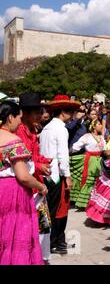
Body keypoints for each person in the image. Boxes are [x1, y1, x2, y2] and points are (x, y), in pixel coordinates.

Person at [0, 101, 48, 265]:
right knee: (15, 234)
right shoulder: (13, 141)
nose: (20, 121)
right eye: (19, 117)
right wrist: (40, 186)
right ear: (10, 117)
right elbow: (23, 176)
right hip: (13, 193)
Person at [40, 95, 80, 255]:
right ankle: (54, 242)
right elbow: (63, 155)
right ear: (63, 112)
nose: (72, 116)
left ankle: (52, 241)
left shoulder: (46, 128)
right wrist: (68, 176)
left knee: (49, 208)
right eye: (70, 112)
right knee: (58, 209)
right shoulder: (61, 129)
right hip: (57, 174)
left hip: (46, 172)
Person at [16, 93, 52, 263]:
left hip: (37, 184)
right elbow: (23, 162)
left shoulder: (32, 130)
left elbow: (34, 156)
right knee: (32, 227)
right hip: (28, 187)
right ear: (26, 113)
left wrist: (44, 162)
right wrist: (39, 166)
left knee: (42, 226)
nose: (41, 116)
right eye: (37, 112)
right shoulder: (20, 133)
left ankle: (39, 257)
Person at [85, 119, 110, 225]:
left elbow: (108, 153)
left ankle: (104, 218)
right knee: (102, 191)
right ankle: (100, 217)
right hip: (106, 169)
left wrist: (101, 152)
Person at [69, 119, 106, 209]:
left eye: (101, 124)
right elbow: (76, 146)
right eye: (99, 124)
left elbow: (105, 148)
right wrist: (69, 152)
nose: (101, 126)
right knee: (90, 180)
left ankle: (95, 202)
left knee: (98, 181)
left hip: (100, 160)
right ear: (93, 126)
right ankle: (84, 203)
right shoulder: (87, 136)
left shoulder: (102, 137)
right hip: (90, 160)